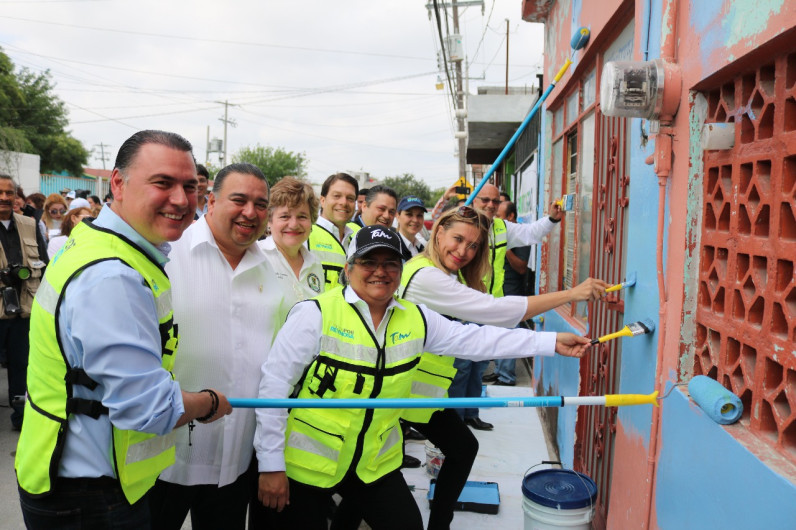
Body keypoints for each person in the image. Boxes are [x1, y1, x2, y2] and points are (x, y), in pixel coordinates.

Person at [253, 225, 592, 530]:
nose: (380, 272)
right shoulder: (316, 314)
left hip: (373, 464)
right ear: (349, 267)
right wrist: (270, 465)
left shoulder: (416, 318)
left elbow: (476, 338)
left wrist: (548, 342)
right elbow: (273, 389)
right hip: (307, 467)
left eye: (391, 263)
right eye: (369, 262)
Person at [15, 130, 233, 529]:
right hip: (88, 498)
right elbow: (147, 408)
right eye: (162, 183)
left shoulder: (101, 243)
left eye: (190, 186)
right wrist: (210, 403)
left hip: (77, 482)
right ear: (117, 182)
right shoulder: (113, 276)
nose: (182, 200)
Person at [149, 162, 272, 530]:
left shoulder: (271, 268)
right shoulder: (167, 254)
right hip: (164, 458)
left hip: (234, 461)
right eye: (239, 199)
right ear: (211, 201)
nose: (250, 212)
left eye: (260, 203)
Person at [0, 174, 48, 430]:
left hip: (24, 309)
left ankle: (21, 420)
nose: (4, 197)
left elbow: (45, 264)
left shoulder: (29, 224)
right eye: (0, 192)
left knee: (23, 367)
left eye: (9, 193)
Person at [484, 200, 530, 386]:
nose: (496, 220)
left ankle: (507, 377)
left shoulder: (517, 237)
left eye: (500, 216)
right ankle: (499, 372)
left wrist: (506, 248)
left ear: (511, 217)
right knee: (497, 335)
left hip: (513, 293)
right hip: (499, 293)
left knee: (508, 336)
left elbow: (521, 268)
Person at [306, 172, 358, 288]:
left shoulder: (355, 241)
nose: (343, 203)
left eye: (350, 198)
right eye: (337, 196)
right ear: (323, 200)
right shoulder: (306, 234)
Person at [396, 196, 427, 261]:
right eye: (409, 214)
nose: (415, 220)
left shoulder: (423, 248)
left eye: (419, 215)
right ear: (398, 216)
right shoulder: (392, 247)